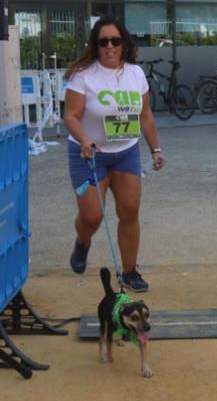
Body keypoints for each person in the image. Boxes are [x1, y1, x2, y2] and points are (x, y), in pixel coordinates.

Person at [62, 16, 166, 292]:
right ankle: (83, 242)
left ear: (124, 44)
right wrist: (84, 138)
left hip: (125, 151)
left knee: (130, 210)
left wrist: (155, 149)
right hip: (88, 153)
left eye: (115, 41)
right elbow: (71, 115)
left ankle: (130, 271)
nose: (110, 46)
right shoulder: (83, 75)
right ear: (96, 45)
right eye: (103, 41)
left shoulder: (135, 73)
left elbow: (145, 115)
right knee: (93, 216)